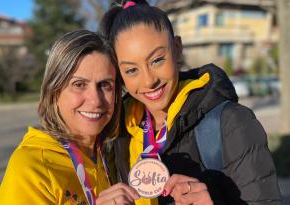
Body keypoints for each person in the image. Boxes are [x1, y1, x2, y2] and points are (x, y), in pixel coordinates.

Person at [100, 1, 281, 204]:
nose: (149, 80)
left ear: (177, 48)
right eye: (131, 70)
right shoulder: (117, 134)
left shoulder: (231, 122)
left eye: (157, 60)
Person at [0, 30, 139, 205]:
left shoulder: (113, 153)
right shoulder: (30, 166)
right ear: (54, 92)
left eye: (104, 85)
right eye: (79, 84)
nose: (95, 100)